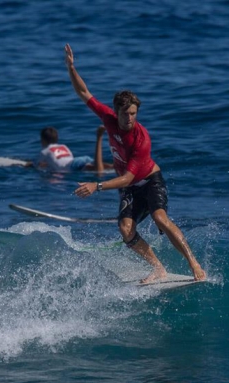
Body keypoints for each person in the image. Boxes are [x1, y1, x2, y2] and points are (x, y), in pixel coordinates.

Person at [64, 43, 206, 284]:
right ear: (116, 111)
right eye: (125, 114)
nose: (129, 118)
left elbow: (129, 178)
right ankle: (158, 268)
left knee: (160, 218)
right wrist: (71, 68)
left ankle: (194, 264)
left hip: (150, 180)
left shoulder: (141, 139)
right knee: (126, 229)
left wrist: (96, 186)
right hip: (129, 186)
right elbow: (84, 93)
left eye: (133, 113)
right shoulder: (108, 119)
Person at [25, 125, 113, 174]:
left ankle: (99, 137)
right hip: (78, 160)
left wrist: (27, 165)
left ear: (43, 140)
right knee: (98, 165)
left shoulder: (44, 151)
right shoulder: (63, 146)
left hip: (72, 166)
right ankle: (113, 166)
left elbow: (35, 164)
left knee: (98, 170)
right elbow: (63, 158)